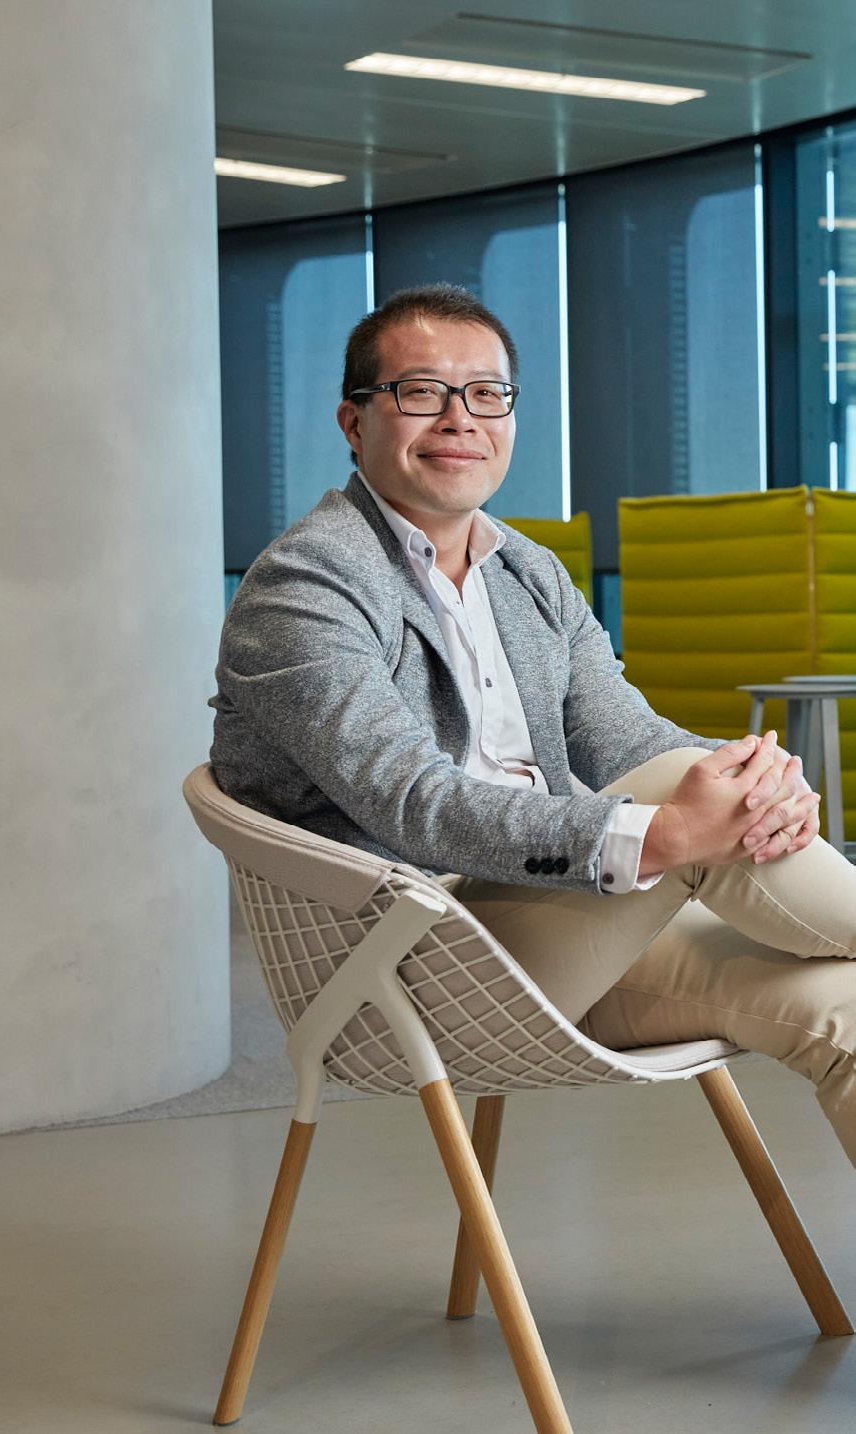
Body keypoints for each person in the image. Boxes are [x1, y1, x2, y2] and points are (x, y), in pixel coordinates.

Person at [210, 283, 856, 1162]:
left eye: (486, 393)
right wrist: (667, 833)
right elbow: (414, 803)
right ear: (354, 423)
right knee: (679, 798)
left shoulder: (528, 574)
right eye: (421, 391)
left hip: (555, 933)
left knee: (842, 1009)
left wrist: (763, 784)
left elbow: (629, 739)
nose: (460, 418)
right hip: (402, 964)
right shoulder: (305, 585)